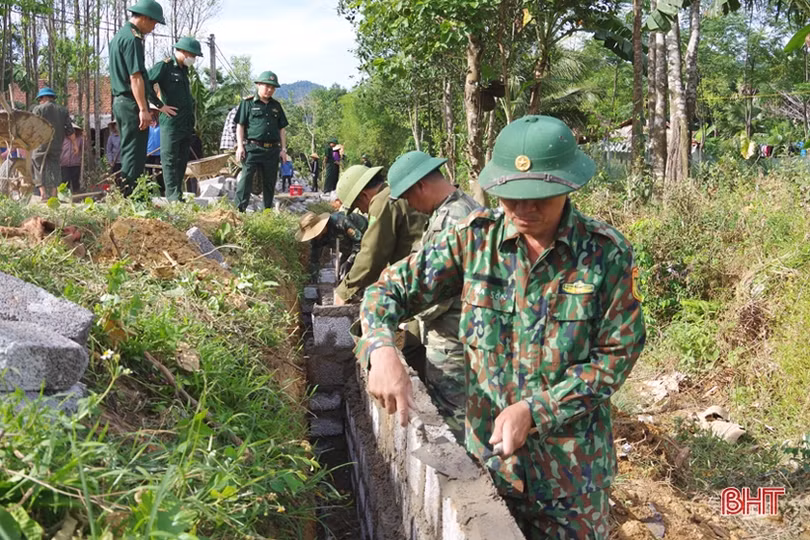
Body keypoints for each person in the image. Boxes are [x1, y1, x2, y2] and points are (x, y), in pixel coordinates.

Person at [355, 115, 646, 539]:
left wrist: (536, 411)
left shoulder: (605, 254)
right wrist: (381, 348)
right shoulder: (474, 241)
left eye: (539, 197)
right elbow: (387, 291)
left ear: (568, 186)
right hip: (489, 468)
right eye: (513, 198)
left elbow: (616, 356)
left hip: (571, 481)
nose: (525, 210)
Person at [386, 150, 480, 440]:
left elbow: (437, 288)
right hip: (458, 333)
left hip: (453, 338)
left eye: (408, 198)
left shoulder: (453, 218)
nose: (410, 206)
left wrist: (400, 309)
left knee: (454, 418)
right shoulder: (455, 208)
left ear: (421, 186)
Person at [108, 0, 177, 196]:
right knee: (135, 153)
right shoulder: (133, 39)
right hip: (131, 103)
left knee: (130, 150)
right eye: (154, 23)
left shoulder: (120, 36)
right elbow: (136, 77)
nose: (153, 28)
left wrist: (156, 104)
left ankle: (127, 195)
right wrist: (143, 109)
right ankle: (132, 197)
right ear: (145, 18)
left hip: (121, 101)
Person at [333, 164, 426, 306]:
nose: (362, 211)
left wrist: (344, 291)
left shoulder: (381, 201)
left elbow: (372, 253)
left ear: (364, 196)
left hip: (419, 278)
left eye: (358, 206)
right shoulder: (394, 192)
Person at [148, 36, 202, 201]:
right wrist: (159, 105)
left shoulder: (184, 70)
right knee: (170, 160)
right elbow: (146, 83)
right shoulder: (165, 66)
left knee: (181, 160)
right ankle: (172, 197)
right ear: (184, 51)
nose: (194, 59)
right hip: (171, 123)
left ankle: (177, 194)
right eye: (193, 55)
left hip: (185, 124)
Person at [234, 70, 288, 212]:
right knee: (246, 179)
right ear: (258, 85)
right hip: (253, 148)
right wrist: (240, 146)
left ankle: (267, 211)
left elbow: (282, 129)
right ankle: (239, 210)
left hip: (272, 150)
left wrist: (283, 150)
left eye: (273, 87)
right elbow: (240, 125)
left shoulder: (276, 106)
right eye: (267, 86)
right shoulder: (247, 103)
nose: (270, 90)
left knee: (270, 182)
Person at [296, 210, 368, 282]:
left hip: (366, 241)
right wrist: (314, 276)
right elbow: (314, 258)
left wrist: (349, 261)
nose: (314, 237)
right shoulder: (317, 238)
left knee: (359, 272)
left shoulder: (341, 223)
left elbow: (360, 242)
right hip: (348, 248)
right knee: (341, 274)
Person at [31, 87, 76, 199]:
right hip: (56, 144)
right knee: (55, 166)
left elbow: (33, 126)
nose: (40, 101)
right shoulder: (63, 110)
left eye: (40, 99)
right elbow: (69, 129)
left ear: (44, 98)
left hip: (41, 144)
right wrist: (75, 144)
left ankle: (42, 193)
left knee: (37, 163)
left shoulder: (38, 109)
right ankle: (54, 193)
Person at [60, 125, 83, 193]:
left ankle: (76, 195)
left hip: (75, 164)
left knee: (75, 181)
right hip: (64, 164)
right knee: (65, 181)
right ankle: (65, 195)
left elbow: (85, 148)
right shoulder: (62, 139)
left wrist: (85, 139)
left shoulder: (79, 139)